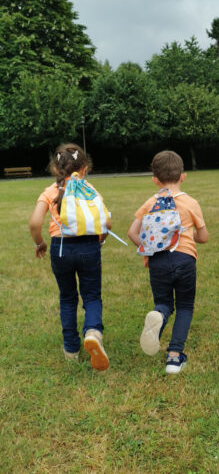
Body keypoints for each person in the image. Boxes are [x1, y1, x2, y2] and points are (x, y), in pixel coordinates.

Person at [29, 143, 111, 371]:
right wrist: (101, 240)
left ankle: (71, 349)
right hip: (88, 246)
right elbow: (107, 222)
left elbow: (35, 223)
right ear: (84, 168)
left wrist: (40, 243)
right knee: (92, 295)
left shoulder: (49, 192)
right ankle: (93, 331)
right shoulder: (89, 189)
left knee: (67, 297)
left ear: (55, 169)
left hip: (60, 248)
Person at [128, 150, 208, 374]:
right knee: (185, 306)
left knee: (164, 302)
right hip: (184, 259)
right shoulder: (190, 203)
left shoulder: (150, 202)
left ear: (155, 179)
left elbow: (132, 232)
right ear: (183, 176)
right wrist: (189, 235)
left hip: (158, 262)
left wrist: (148, 248)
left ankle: (159, 316)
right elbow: (204, 237)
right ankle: (174, 356)